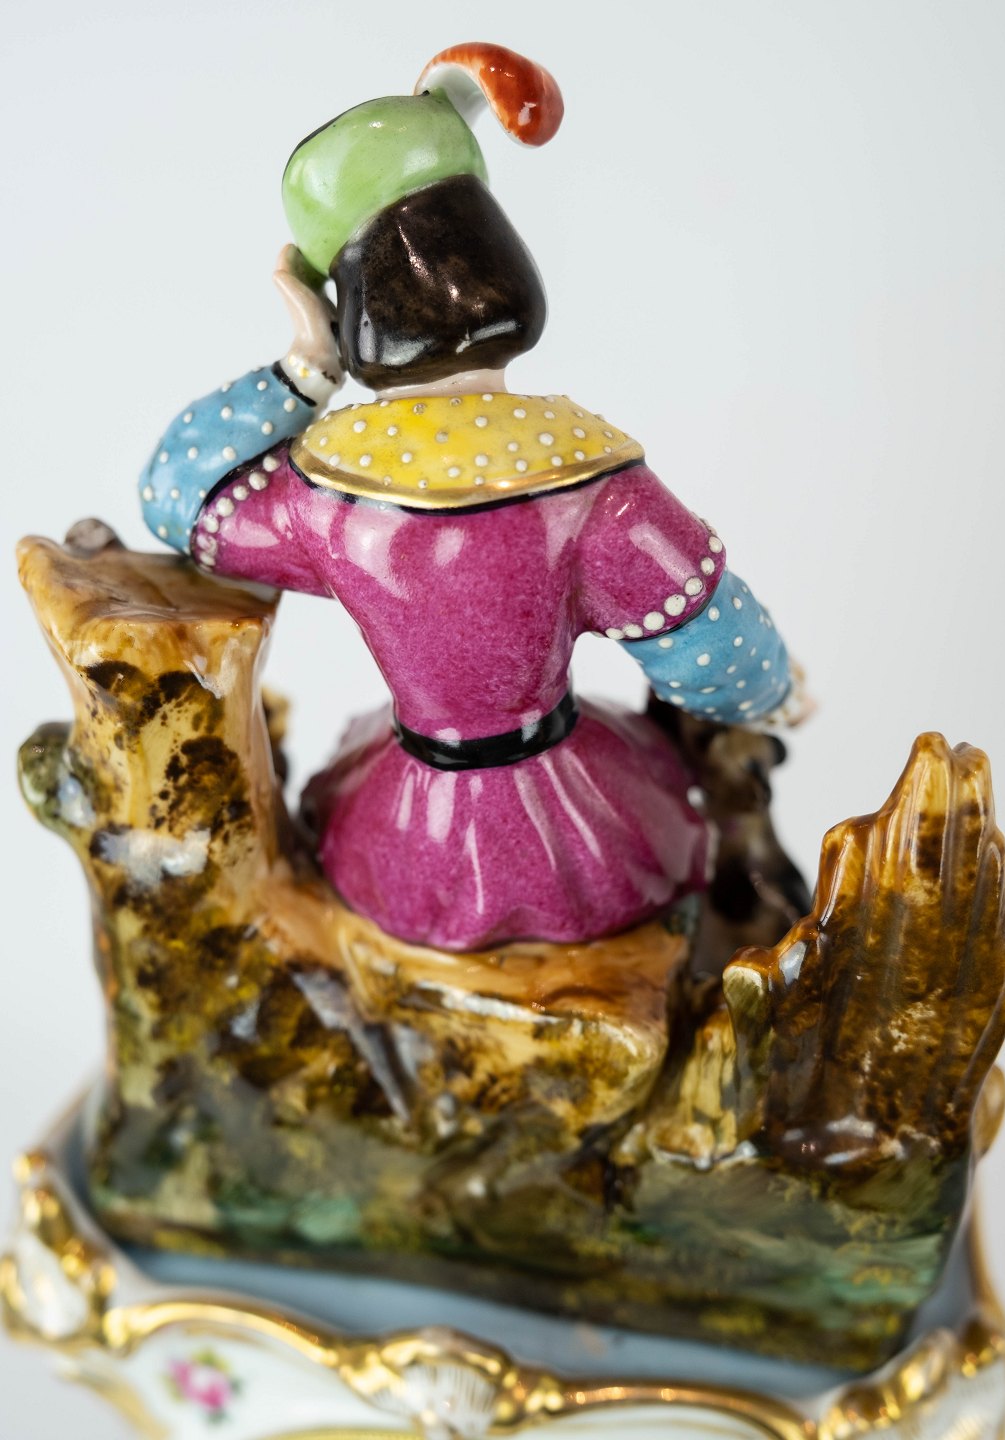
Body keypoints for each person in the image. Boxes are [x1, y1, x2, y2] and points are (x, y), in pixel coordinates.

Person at [139, 43, 798, 952]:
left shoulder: (323, 496)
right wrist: (773, 693)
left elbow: (180, 496)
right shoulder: (590, 481)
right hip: (578, 817)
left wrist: (303, 369)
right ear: (507, 266)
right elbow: (714, 648)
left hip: (410, 821)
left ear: (352, 309)